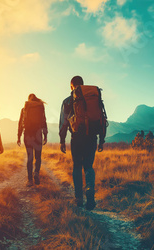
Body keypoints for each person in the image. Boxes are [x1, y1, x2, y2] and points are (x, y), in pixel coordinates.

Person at [59, 76, 107, 210]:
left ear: (71, 86)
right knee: (88, 167)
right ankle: (90, 192)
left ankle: (79, 198)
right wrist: (101, 140)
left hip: (77, 137)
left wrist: (62, 140)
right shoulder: (93, 97)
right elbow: (102, 118)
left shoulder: (68, 101)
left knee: (77, 167)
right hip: (92, 136)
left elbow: (64, 122)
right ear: (82, 85)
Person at [17, 94, 48, 187]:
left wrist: (18, 137)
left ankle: (30, 180)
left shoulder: (24, 109)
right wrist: (45, 135)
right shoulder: (40, 108)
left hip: (28, 135)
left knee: (29, 157)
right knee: (38, 157)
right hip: (38, 135)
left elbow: (20, 124)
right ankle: (36, 173)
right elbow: (44, 122)